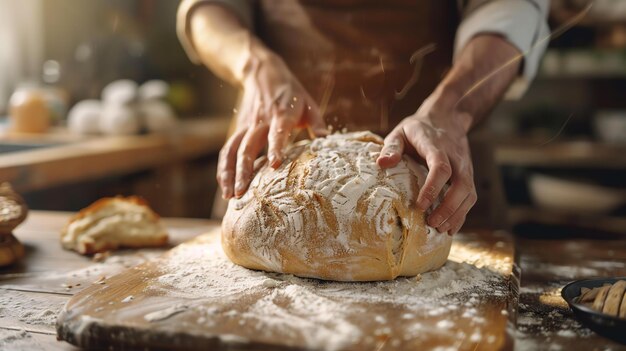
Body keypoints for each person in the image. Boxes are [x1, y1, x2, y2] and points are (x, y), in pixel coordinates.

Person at [177, 0, 550, 234]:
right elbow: (206, 8)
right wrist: (255, 65)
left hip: (436, 178)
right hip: (273, 174)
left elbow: (511, 8)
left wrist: (450, 109)